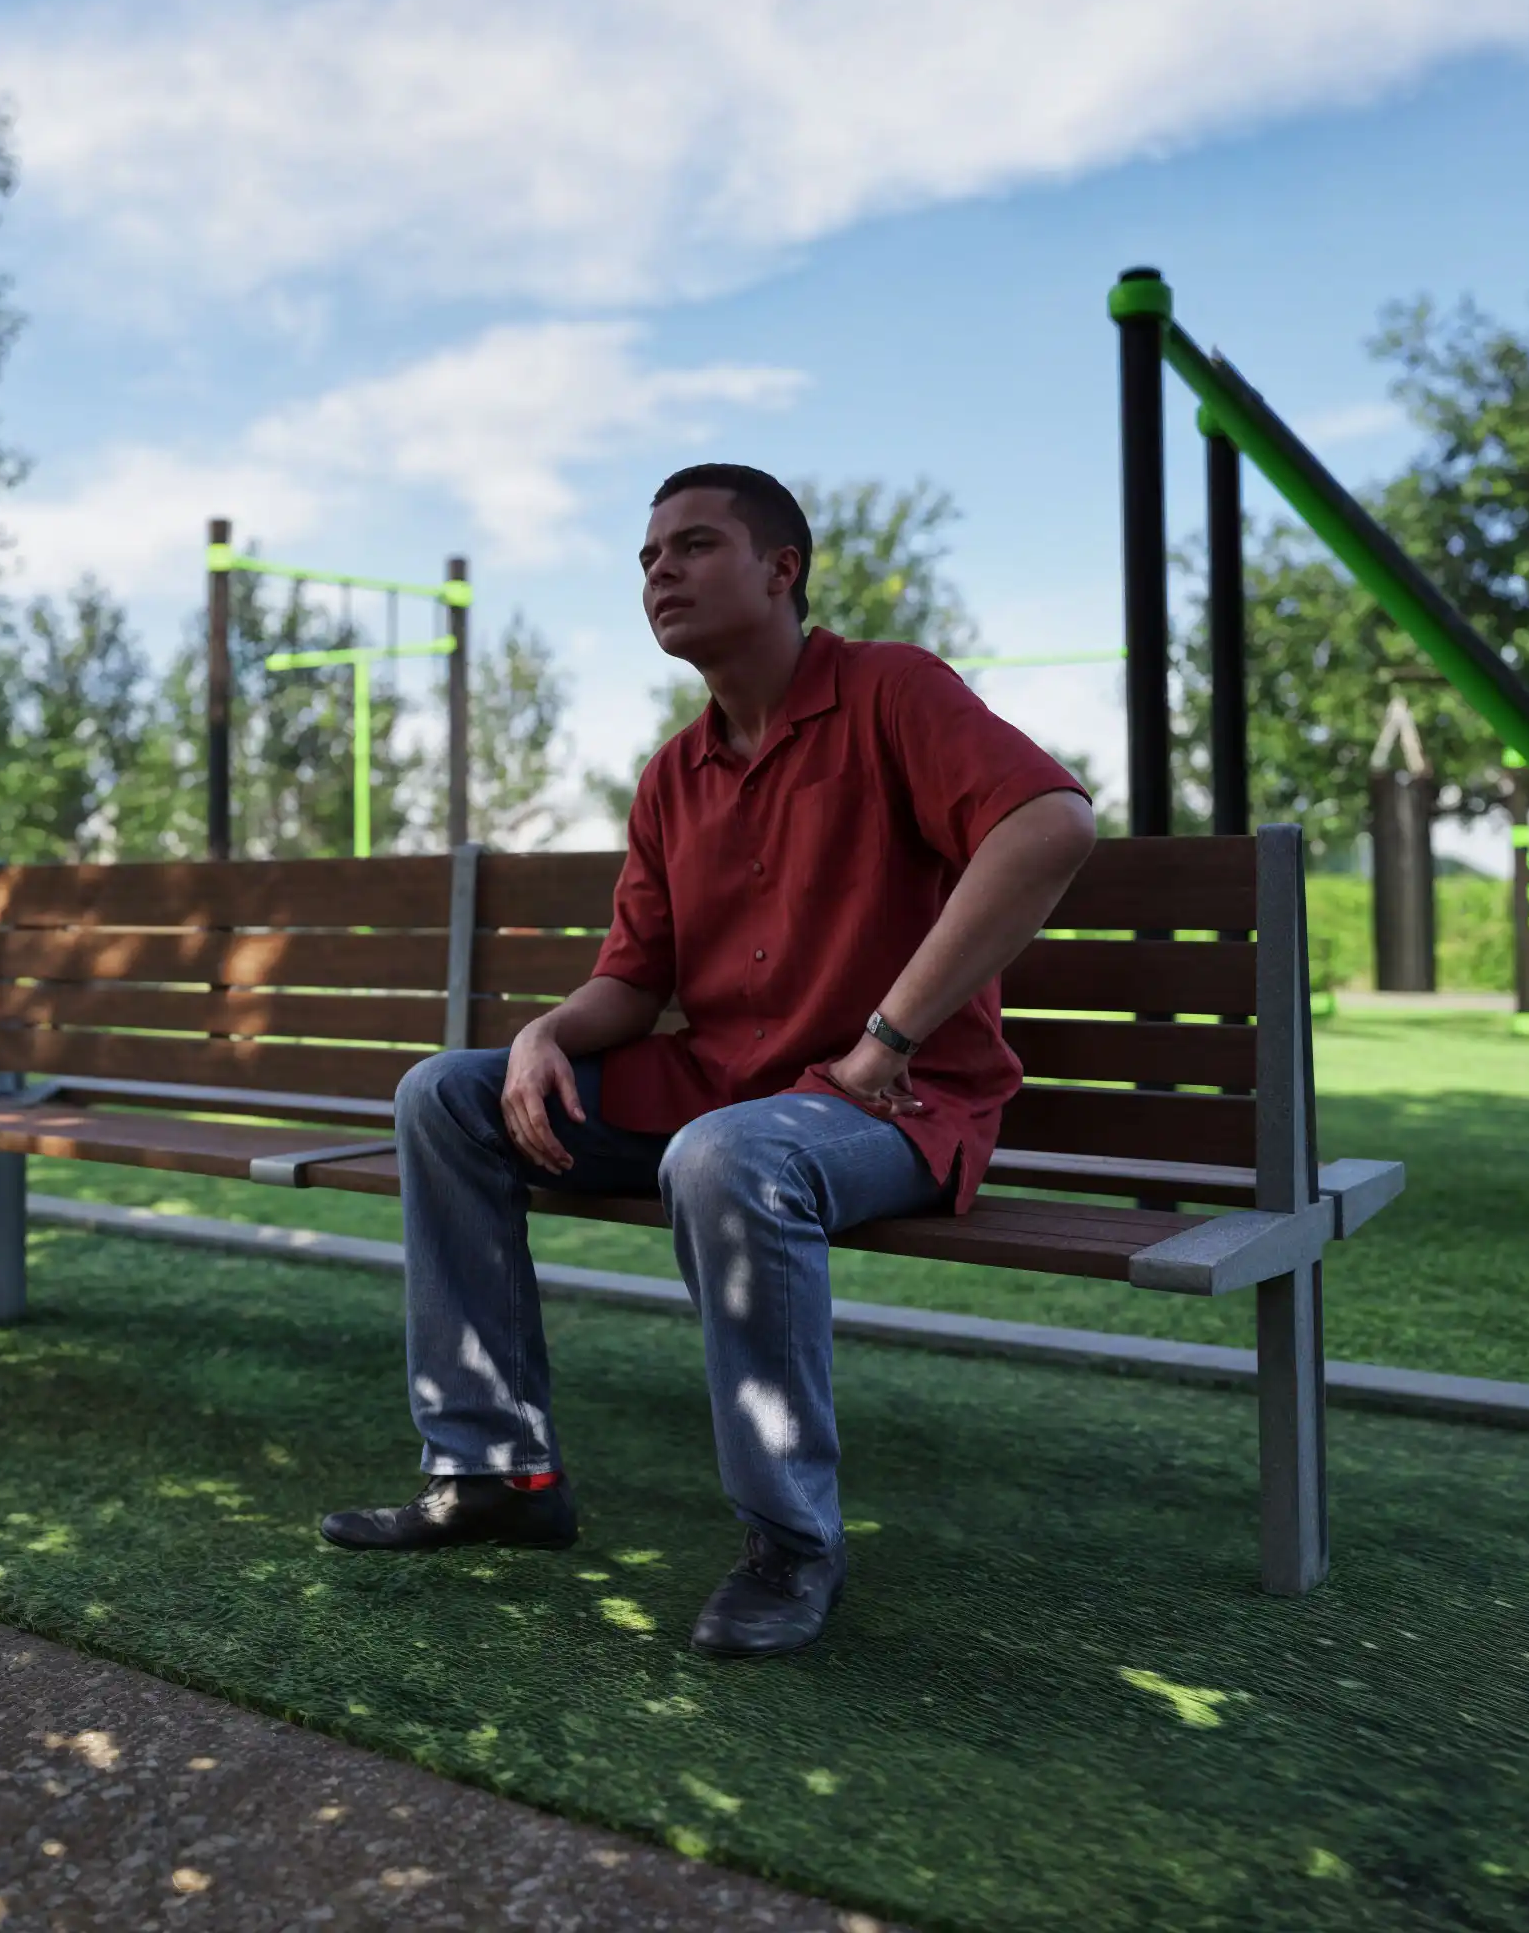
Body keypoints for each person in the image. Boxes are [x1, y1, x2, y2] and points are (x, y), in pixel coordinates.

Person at [319, 464, 1096, 1660]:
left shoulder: (891, 692)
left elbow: (1050, 823)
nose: (659, 574)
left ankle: (794, 1546)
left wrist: (887, 1039)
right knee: (446, 1096)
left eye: (691, 547)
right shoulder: (673, 775)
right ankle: (496, 1475)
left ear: (782, 570)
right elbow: (636, 981)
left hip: (892, 1108)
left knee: (726, 1154)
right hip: (724, 1095)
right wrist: (539, 1036)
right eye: (646, 559)